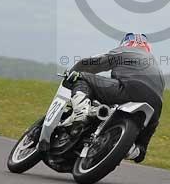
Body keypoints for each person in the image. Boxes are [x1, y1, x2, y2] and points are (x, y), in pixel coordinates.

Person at [65, 32, 164, 163]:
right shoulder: (156, 66)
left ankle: (80, 112)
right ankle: (134, 150)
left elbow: (92, 63)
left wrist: (72, 72)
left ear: (126, 43)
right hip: (155, 106)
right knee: (141, 150)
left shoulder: (125, 50)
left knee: (82, 77)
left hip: (129, 89)